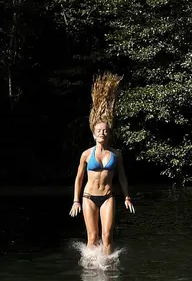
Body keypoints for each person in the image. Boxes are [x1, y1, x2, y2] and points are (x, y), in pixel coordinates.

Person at [69, 73, 135, 256]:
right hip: (89, 197)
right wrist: (76, 201)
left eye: (105, 130)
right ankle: (91, 268)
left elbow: (121, 176)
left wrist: (127, 197)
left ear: (109, 133)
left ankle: (107, 267)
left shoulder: (116, 154)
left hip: (107, 197)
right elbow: (79, 178)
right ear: (94, 134)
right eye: (99, 130)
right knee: (93, 236)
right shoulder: (86, 154)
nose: (102, 133)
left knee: (107, 236)